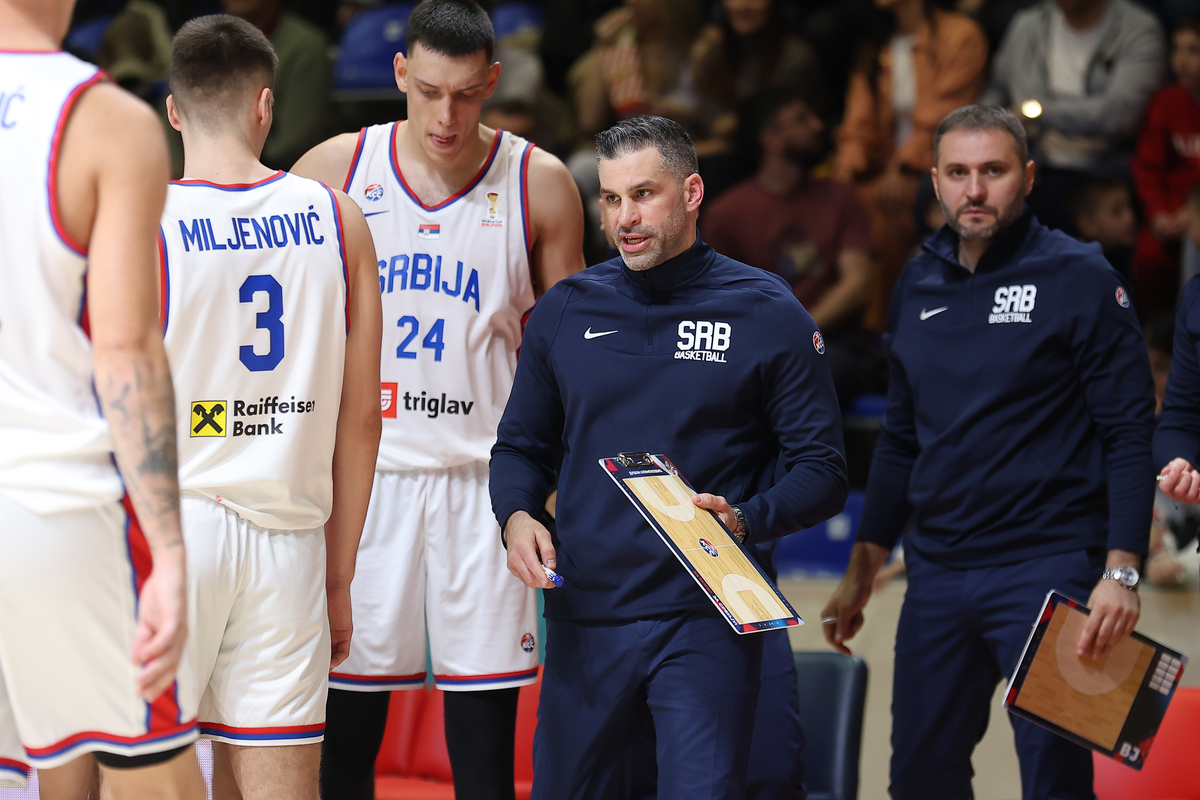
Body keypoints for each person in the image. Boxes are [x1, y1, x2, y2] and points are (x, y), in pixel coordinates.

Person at [491, 114, 848, 800]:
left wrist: (745, 518)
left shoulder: (767, 310)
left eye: (644, 194)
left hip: (706, 622)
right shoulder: (566, 310)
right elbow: (519, 448)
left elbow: (824, 473)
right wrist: (515, 516)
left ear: (691, 193)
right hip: (586, 621)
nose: (626, 216)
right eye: (612, 198)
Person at [291, 2, 586, 798]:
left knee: (485, 753)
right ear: (399, 75)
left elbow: (577, 359)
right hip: (366, 484)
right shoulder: (332, 171)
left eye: (464, 94)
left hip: (483, 489)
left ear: (492, 81)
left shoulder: (541, 183)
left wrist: (557, 491)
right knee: (344, 735)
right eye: (427, 92)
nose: (445, 115)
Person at [823, 105, 1154, 800]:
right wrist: (862, 569)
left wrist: (1121, 572)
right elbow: (902, 441)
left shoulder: (1081, 275)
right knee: (918, 780)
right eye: (958, 173)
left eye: (994, 171)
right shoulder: (916, 281)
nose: (975, 190)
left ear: (1027, 178)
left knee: (1057, 784)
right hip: (937, 575)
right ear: (936, 183)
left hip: (1052, 567)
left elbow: (1129, 431)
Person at [159, 15, 382, 799]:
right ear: (266, 105)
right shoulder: (338, 218)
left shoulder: (140, 220)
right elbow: (362, 418)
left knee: (144, 778)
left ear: (174, 110)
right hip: (288, 539)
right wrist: (340, 574)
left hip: (170, 535)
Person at [0, 0, 204, 797]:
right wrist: (171, 549)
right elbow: (125, 350)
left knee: (45, 776)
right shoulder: (105, 119)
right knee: (156, 778)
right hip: (59, 509)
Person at [704, 88, 873, 406]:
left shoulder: (841, 197)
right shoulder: (727, 212)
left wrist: (798, 332)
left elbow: (857, 283)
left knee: (820, 373)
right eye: (801, 119)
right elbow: (716, 300)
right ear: (772, 140)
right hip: (754, 342)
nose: (818, 125)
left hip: (828, 339)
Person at [835, 0, 988, 330]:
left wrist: (902, 165)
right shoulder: (876, 43)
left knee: (885, 206)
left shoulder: (961, 34)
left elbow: (946, 118)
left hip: (940, 161)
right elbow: (857, 123)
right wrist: (845, 171)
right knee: (835, 201)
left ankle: (879, 330)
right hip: (885, 166)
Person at [983, 0, 1164, 233]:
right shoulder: (1028, 25)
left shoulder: (1137, 28)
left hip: (1106, 167)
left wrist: (1037, 111)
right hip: (1036, 162)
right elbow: (997, 91)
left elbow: (1120, 114)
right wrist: (986, 126)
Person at [1132, 14, 1200, 313]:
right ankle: (1157, 340)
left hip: (1195, 215)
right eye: (1176, 49)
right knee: (1147, 258)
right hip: (1170, 214)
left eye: (1194, 50)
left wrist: (1194, 212)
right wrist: (1158, 212)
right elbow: (1148, 167)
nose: (1181, 60)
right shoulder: (1166, 102)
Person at [220, 0, 333, 170]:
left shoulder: (305, 46)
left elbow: (295, 139)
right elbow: (176, 112)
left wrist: (235, 167)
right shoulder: (197, 42)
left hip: (274, 174)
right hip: (198, 173)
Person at [1069, 174, 1138, 285]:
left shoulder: (1124, 255)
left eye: (1130, 206)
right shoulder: (1082, 268)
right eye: (1117, 211)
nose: (1130, 217)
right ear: (1088, 225)